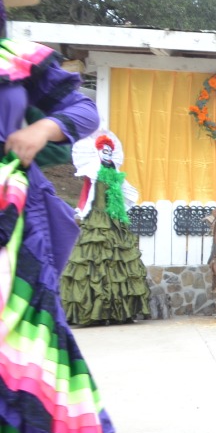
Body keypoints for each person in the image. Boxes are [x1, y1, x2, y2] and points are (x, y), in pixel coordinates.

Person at [0, 0, 111, 433]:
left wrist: (42, 130)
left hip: (10, 230)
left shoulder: (19, 60)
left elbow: (81, 108)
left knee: (15, 360)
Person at [60, 129, 150, 325]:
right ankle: (94, 312)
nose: (107, 155)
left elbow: (126, 193)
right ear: (98, 154)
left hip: (115, 221)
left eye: (110, 152)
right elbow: (88, 195)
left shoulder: (115, 174)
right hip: (96, 221)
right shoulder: (93, 174)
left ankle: (120, 311)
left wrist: (123, 211)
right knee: (93, 262)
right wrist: (82, 212)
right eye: (104, 152)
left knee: (120, 261)